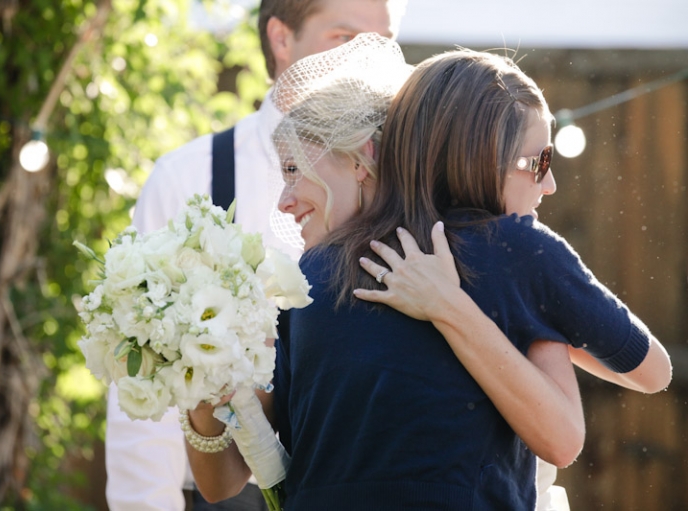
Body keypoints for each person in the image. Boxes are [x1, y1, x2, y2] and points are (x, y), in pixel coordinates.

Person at [185, 35, 671, 510]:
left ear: (363, 160)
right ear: (482, 155)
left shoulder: (310, 275)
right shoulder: (515, 251)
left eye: (294, 170)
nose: (550, 183)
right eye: (539, 162)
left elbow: (225, 479)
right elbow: (649, 374)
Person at [104, 2, 407, 510]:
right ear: (281, 38)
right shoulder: (189, 176)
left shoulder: (413, 184)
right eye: (345, 39)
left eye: (385, 42)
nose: (368, 60)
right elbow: (141, 378)